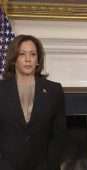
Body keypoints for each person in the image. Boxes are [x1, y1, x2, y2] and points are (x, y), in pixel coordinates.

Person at [0, 34, 66, 170]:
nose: (28, 59)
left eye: (33, 54)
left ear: (38, 60)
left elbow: (59, 135)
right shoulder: (2, 90)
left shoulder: (54, 90)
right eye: (22, 54)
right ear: (14, 59)